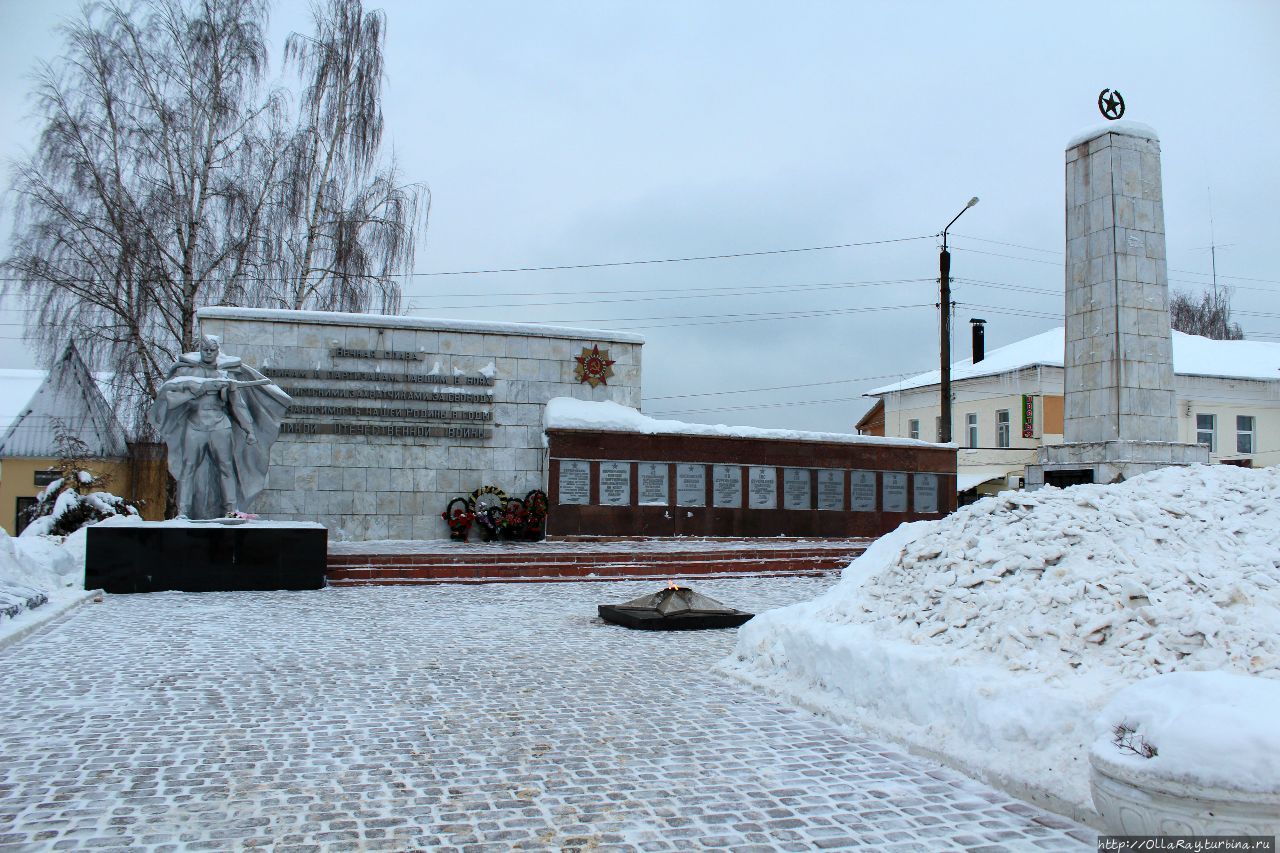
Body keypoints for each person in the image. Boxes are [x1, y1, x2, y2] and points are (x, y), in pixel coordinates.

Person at [149, 335, 291, 518]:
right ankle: (183, 512)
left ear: (218, 351)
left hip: (219, 425)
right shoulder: (186, 372)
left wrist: (249, 430)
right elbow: (169, 396)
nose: (208, 353)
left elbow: (237, 405)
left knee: (226, 467)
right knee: (188, 467)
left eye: (212, 350)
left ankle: (231, 510)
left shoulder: (226, 373)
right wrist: (196, 390)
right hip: (195, 424)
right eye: (205, 349)